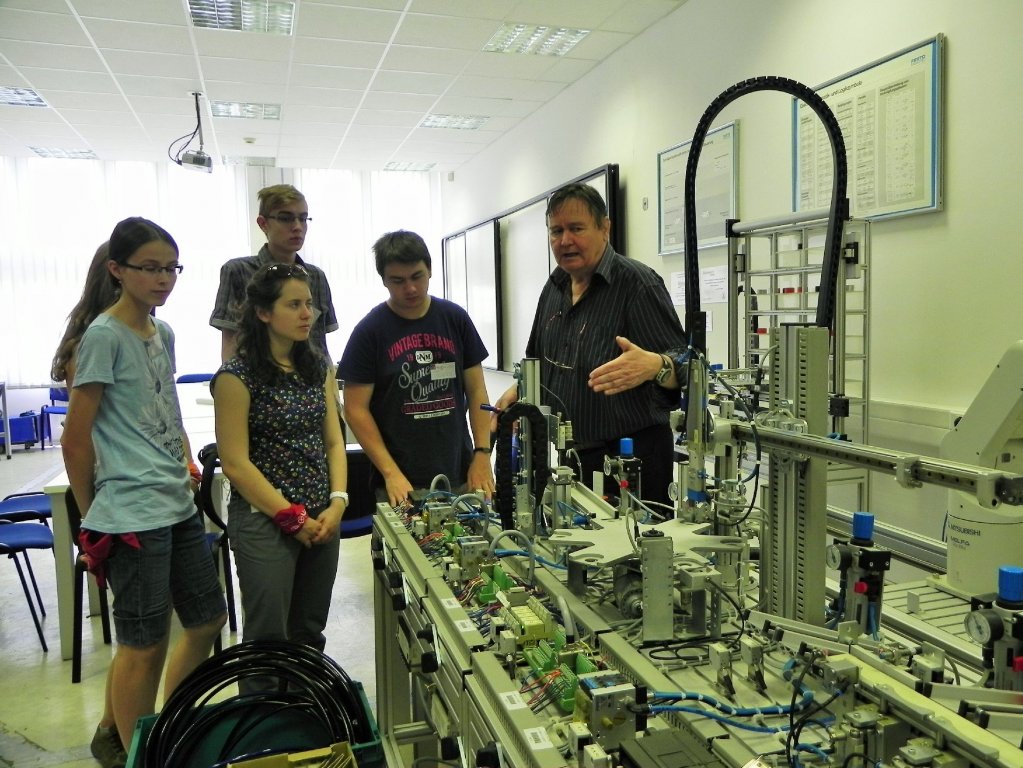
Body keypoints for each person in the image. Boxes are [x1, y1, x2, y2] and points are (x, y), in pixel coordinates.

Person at [61, 217, 227, 757]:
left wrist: (182, 457)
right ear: (117, 270)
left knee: (207, 619)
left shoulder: (164, 333)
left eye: (171, 269)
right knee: (143, 641)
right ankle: (141, 753)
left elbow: (164, 408)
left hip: (175, 503)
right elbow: (75, 440)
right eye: (150, 268)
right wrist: (92, 518)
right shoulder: (103, 336)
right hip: (130, 513)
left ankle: (161, 726)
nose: (163, 279)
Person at [495, 183, 685, 505]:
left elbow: (688, 364)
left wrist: (656, 365)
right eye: (556, 231)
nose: (565, 240)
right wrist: (519, 390)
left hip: (632, 462)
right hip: (573, 458)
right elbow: (536, 359)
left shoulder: (637, 284)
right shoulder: (553, 288)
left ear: (604, 228)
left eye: (576, 228)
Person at [212, 262, 347, 668]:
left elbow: (334, 440)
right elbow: (235, 464)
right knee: (268, 637)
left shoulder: (316, 367)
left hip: (320, 517)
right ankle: (265, 706)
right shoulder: (236, 376)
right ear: (263, 312)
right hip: (265, 520)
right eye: (294, 305)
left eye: (309, 304)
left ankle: (304, 701)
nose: (307, 314)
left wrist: (338, 501)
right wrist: (291, 518)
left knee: (309, 630)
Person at [338, 230, 495, 507]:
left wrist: (482, 453)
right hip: (401, 482)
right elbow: (355, 409)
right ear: (384, 280)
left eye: (417, 276)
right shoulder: (369, 331)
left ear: (430, 270)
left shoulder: (455, 319)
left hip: (460, 473)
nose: (410, 288)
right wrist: (390, 472)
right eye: (398, 281)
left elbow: (477, 391)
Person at [210, 184, 338, 362]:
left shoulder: (316, 276)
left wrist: (330, 379)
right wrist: (231, 378)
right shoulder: (238, 271)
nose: (297, 227)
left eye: (303, 219)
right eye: (286, 218)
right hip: (256, 375)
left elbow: (321, 346)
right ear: (263, 224)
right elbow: (230, 346)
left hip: (309, 376)